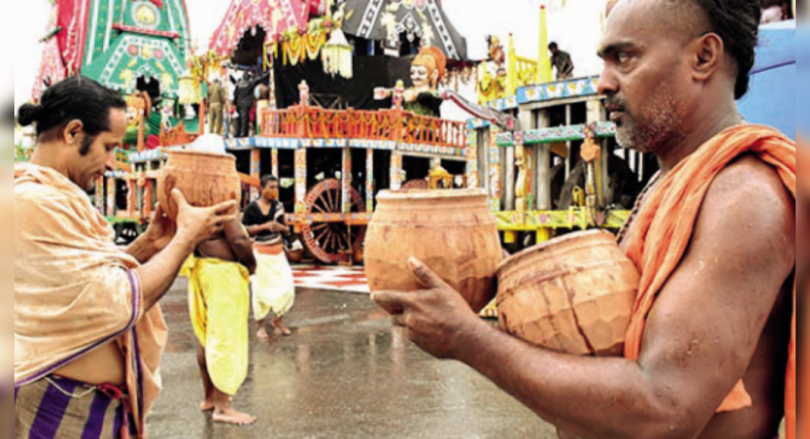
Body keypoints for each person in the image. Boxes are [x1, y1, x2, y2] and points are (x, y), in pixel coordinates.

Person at [373, 1, 796, 438]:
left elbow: (663, 406)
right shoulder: (671, 182)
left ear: (703, 57)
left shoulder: (743, 197)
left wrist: (470, 342)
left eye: (624, 58)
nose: (603, 83)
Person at [14, 76, 236, 438]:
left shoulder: (52, 198)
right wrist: (184, 240)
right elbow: (114, 301)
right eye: (109, 146)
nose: (113, 162)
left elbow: (84, 285)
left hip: (85, 405)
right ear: (73, 132)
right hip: (57, 409)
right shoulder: (35, 202)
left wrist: (148, 245)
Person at [185, 139, 258, 425]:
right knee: (225, 338)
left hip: (202, 269)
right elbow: (238, 239)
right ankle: (224, 407)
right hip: (223, 274)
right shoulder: (220, 196)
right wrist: (251, 263)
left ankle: (209, 397)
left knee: (207, 337)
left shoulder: (192, 197)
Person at [243, 175, 295, 338]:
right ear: (262, 189)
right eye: (271, 187)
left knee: (287, 289)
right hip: (260, 254)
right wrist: (264, 226)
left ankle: (278, 320)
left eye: (276, 187)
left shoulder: (278, 207)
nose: (274, 191)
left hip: (278, 253)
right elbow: (245, 230)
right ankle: (260, 326)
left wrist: (281, 228)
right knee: (260, 291)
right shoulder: (252, 208)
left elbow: (287, 230)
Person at [232, 71, 270, 138]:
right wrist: (268, 74)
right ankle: (243, 134)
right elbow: (259, 80)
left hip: (239, 104)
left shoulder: (238, 84)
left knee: (240, 119)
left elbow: (235, 94)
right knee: (245, 119)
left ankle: (238, 133)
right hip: (246, 104)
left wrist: (234, 103)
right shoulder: (250, 83)